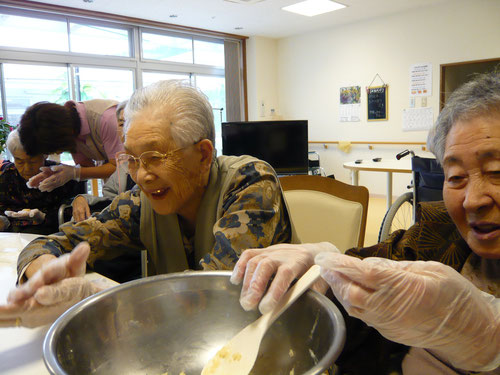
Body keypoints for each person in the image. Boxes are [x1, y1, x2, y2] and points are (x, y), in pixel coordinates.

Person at [230, 72, 500, 374]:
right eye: (456, 178)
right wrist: (323, 267)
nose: (472, 200)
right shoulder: (437, 231)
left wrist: (490, 340)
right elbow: (371, 268)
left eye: (496, 171)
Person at [0, 80, 294, 327]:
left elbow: (217, 292)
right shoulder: (141, 204)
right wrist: (47, 274)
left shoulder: (249, 181)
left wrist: (98, 296)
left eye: (154, 157)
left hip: (276, 338)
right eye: (131, 159)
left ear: (204, 155)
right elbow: (46, 244)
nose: (141, 176)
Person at [18, 97, 124, 192]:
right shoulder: (70, 129)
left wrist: (74, 173)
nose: (57, 152)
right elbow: (87, 167)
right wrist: (57, 174)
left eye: (54, 149)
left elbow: (120, 167)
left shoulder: (107, 119)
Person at [0, 129, 84, 235]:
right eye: (19, 162)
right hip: (12, 236)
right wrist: (4, 220)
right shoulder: (7, 176)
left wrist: (43, 218)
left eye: (32, 161)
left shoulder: (59, 174)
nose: (26, 168)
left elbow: (70, 212)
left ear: (45, 155)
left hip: (51, 235)